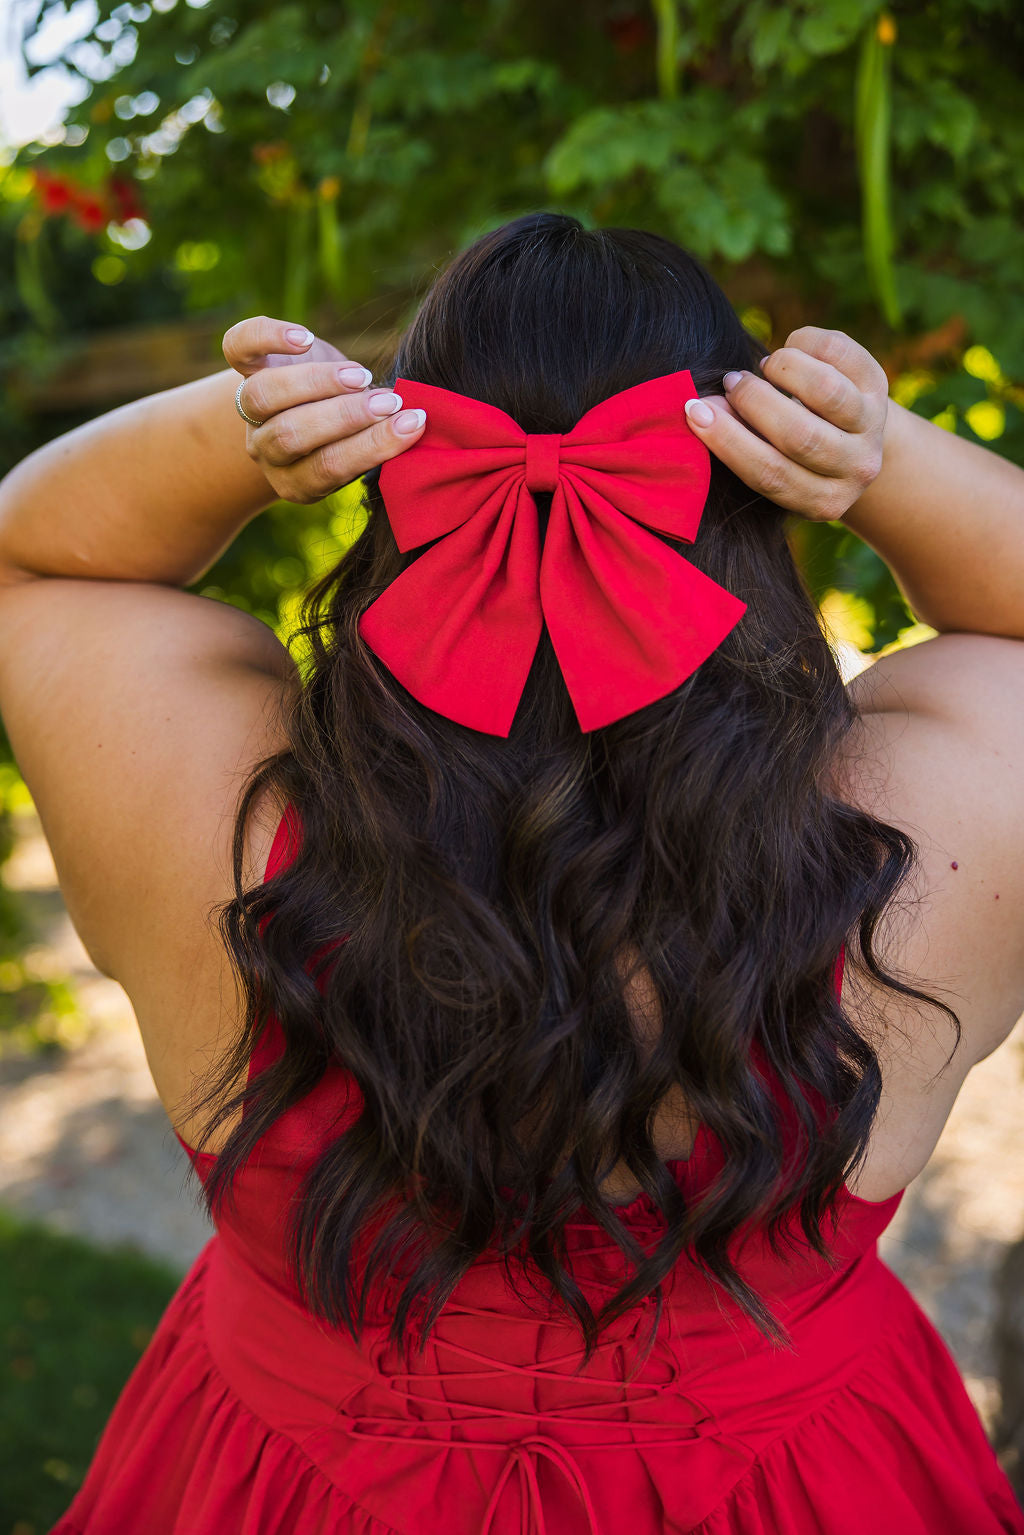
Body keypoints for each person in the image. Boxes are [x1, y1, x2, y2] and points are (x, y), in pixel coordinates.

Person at [1, 211, 1021, 1534]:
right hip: (811, 1486)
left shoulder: (195, 788)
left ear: (394, 451)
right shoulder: (944, 805)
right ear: (756, 490)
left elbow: (28, 555)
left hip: (277, 1481)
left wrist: (237, 432)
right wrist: (878, 455)